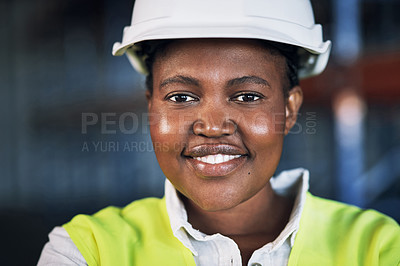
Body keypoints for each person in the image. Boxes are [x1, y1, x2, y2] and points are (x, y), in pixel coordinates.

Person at [38, 0, 400, 265]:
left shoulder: (378, 248)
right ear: (151, 106)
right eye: (181, 97)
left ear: (289, 110)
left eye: (246, 96)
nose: (211, 126)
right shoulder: (86, 250)